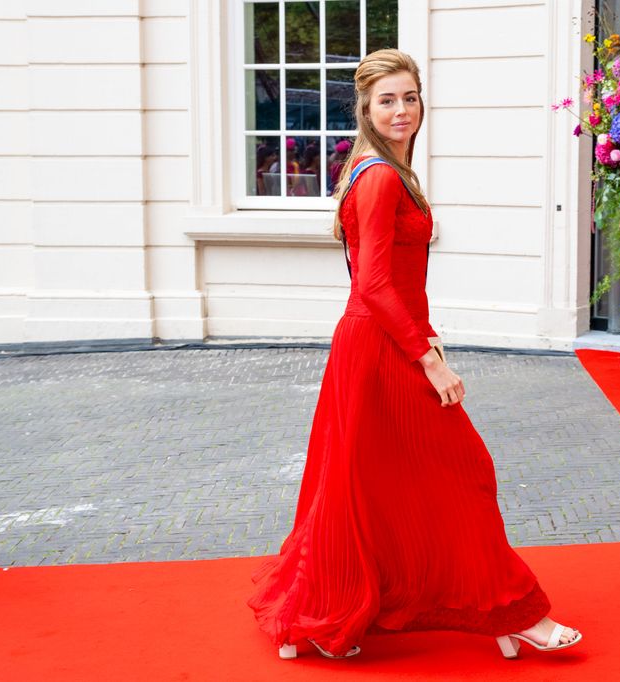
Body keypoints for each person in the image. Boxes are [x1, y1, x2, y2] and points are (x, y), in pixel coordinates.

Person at [246, 48, 582, 661]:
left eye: (409, 97)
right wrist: (430, 359)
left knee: (366, 484)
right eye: (387, 101)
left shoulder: (388, 171)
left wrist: (424, 338)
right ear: (366, 109)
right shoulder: (377, 176)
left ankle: (344, 608)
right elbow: (373, 285)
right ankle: (512, 613)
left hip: (383, 340)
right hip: (381, 346)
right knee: (465, 473)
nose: (401, 111)